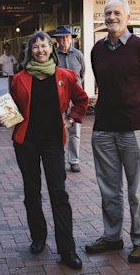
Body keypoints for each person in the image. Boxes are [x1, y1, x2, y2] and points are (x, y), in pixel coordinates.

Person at [85, 0, 140, 263]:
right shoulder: (97, 50)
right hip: (103, 128)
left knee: (137, 190)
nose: (112, 17)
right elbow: (102, 85)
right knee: (109, 188)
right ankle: (112, 236)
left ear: (127, 17)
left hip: (132, 128)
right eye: (107, 13)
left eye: (117, 12)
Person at [5, 31, 88, 270]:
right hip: (26, 142)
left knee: (58, 193)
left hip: (53, 141)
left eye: (44, 46)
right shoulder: (19, 78)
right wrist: (7, 116)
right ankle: (38, 237)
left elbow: (82, 101)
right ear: (30, 51)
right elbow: (11, 107)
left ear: (51, 49)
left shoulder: (66, 76)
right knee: (32, 191)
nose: (40, 50)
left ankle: (67, 249)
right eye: (35, 47)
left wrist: (71, 120)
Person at [53, 25, 85, 173]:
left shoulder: (78, 55)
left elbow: (82, 74)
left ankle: (74, 160)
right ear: (57, 39)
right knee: (57, 129)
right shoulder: (53, 55)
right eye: (61, 37)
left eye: (67, 36)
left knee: (75, 131)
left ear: (71, 38)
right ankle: (57, 158)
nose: (64, 40)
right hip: (57, 98)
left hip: (74, 99)